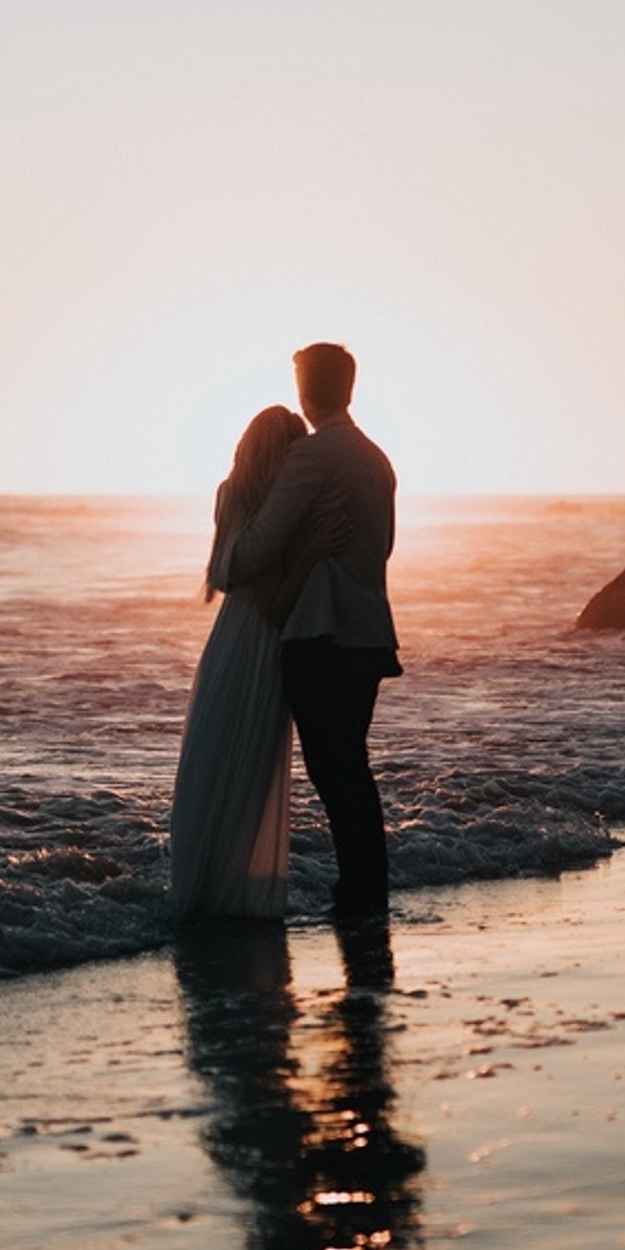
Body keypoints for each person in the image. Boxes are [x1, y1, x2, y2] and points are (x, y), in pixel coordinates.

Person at [226, 342, 400, 917]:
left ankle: (359, 895)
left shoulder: (312, 457)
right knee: (352, 767)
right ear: (349, 388)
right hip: (369, 634)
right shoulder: (377, 459)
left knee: (335, 772)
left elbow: (255, 551)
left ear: (304, 390)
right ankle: (365, 889)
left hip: (319, 638)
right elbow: (386, 548)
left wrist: (243, 545)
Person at [170, 404, 329, 920]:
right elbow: (273, 602)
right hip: (260, 646)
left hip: (229, 640)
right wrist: (311, 554)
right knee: (247, 769)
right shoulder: (264, 513)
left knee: (216, 762)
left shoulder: (232, 496)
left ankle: (209, 884)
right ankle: (227, 895)